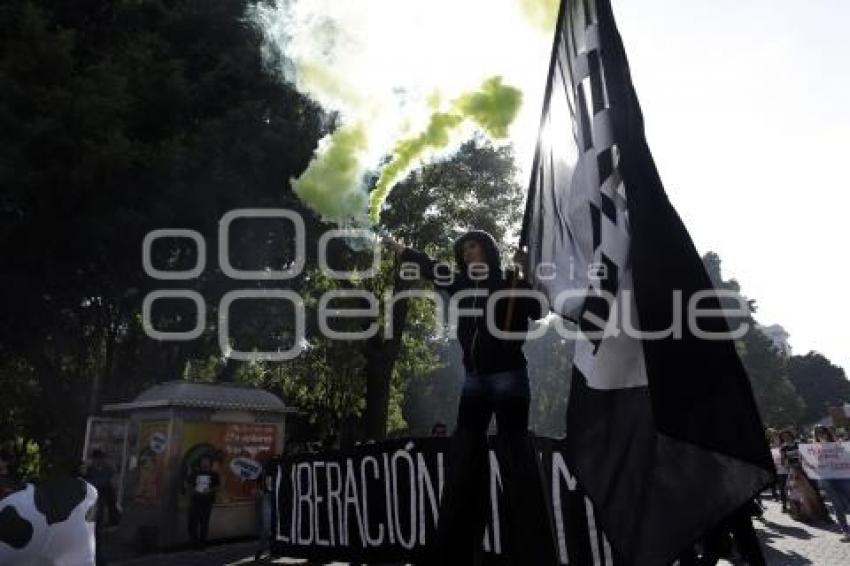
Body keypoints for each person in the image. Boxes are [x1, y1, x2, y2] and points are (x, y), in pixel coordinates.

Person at [385, 230, 558, 565]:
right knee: (463, 460)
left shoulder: (507, 280)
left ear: (488, 250)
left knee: (516, 461)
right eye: (463, 248)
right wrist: (401, 249)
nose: (467, 252)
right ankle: (455, 553)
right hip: (474, 382)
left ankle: (532, 555)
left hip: (509, 377)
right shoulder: (461, 284)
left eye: (473, 245)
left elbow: (540, 310)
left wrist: (525, 278)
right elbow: (429, 266)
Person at [780, 429, 828, 523]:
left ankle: (822, 514)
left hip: (805, 471)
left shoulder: (799, 444)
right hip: (794, 472)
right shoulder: (783, 448)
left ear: (791, 435)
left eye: (787, 435)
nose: (786, 438)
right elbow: (783, 462)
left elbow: (808, 455)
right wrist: (786, 463)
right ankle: (804, 515)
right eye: (783, 436)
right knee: (797, 494)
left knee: (813, 491)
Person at [814, 425, 850, 541]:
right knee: (837, 507)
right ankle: (846, 531)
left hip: (843, 478)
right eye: (818, 433)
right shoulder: (814, 448)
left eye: (822, 432)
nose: (821, 435)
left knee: (845, 503)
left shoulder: (837, 444)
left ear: (827, 433)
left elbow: (846, 458)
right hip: (828, 480)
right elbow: (817, 465)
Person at [185, 456, 220, 549]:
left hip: (207, 501)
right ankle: (194, 543)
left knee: (204, 523)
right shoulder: (195, 473)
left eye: (206, 461)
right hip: (195, 501)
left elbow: (217, 486)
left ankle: (202, 543)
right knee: (193, 523)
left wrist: (210, 490)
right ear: (200, 463)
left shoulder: (214, 474)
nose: (205, 463)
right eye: (203, 461)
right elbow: (189, 484)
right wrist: (194, 490)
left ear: (210, 463)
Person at [86, 449, 121, 526]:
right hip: (94, 491)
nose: (98, 461)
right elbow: (89, 481)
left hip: (104, 491)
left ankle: (109, 521)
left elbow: (110, 479)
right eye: (96, 459)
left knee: (107, 503)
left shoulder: (107, 469)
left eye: (100, 458)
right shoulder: (90, 469)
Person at [254, 456, 278, 562]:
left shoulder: (269, 471)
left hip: (271, 497)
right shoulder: (265, 472)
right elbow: (259, 483)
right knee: (268, 526)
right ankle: (262, 549)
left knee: (271, 526)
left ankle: (269, 549)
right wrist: (260, 491)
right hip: (269, 497)